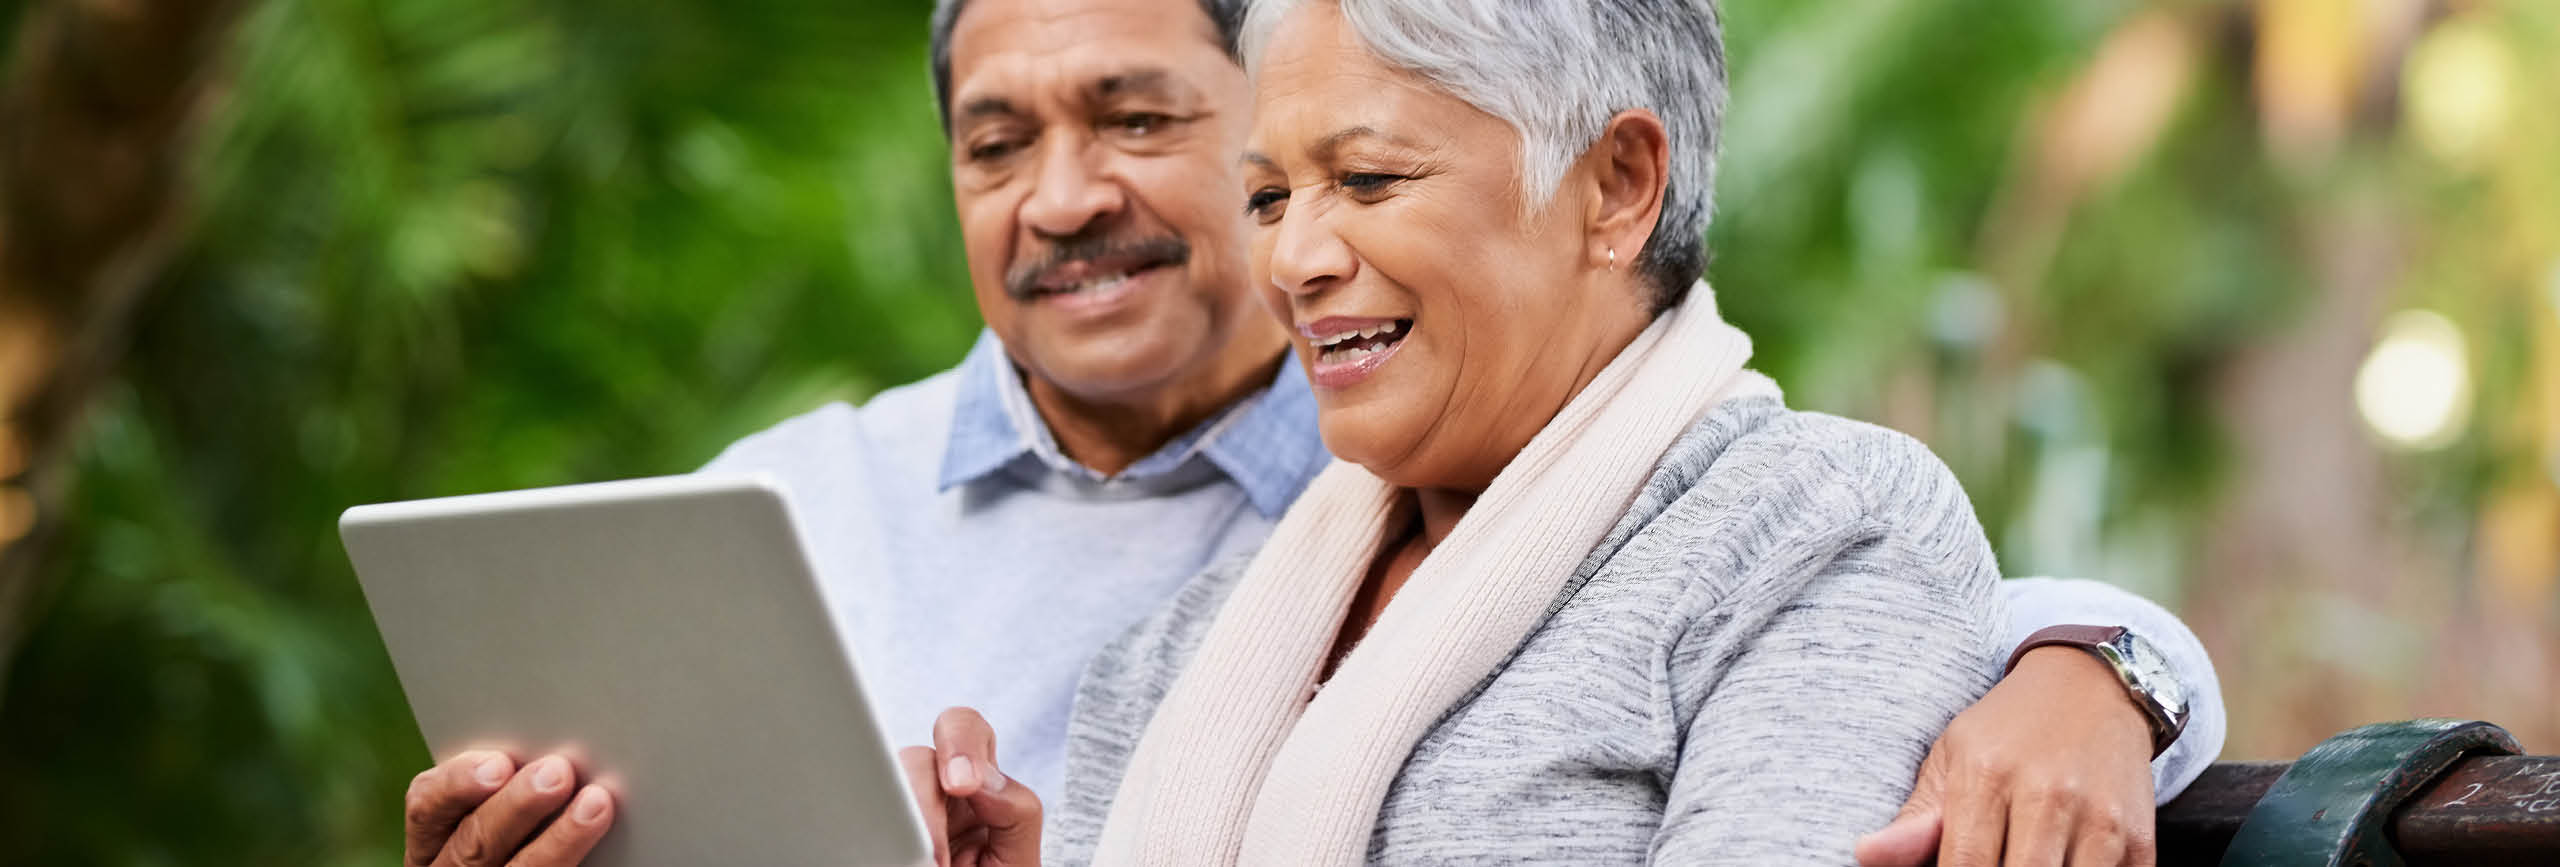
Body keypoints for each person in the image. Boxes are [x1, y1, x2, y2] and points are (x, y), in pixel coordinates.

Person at [394, 0, 2222, 865]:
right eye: (1271, 192)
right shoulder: (1200, 642)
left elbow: (1917, 592)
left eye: (1362, 176)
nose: (1298, 255)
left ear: (1615, 185)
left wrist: (2111, 662)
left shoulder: (1805, 521)